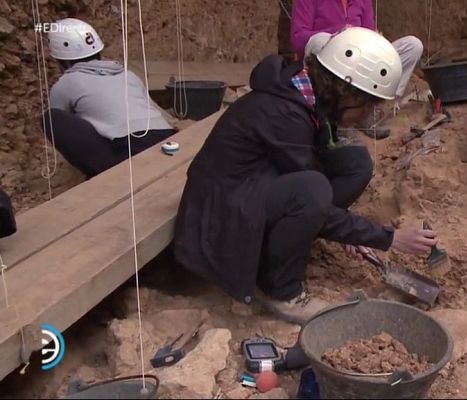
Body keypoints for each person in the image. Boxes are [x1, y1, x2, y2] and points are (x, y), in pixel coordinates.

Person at [173, 27, 438, 325]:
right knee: (313, 191)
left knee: (355, 163)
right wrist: (389, 238)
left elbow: (308, 167)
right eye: (367, 104)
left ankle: (299, 235)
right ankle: (280, 290)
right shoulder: (283, 114)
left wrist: (345, 226)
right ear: (346, 91)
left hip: (251, 186)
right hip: (221, 218)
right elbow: (312, 189)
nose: (365, 115)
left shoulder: (304, 95)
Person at [44, 18, 176, 179]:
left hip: (128, 151)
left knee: (51, 118)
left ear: (61, 60)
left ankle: (102, 176)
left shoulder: (65, 84)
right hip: (167, 142)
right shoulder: (128, 74)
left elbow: (67, 125)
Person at [290, 0, 424, 139]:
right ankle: (335, 116)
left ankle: (369, 108)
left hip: (360, 61)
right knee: (319, 40)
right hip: (328, 64)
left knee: (413, 46)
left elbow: (369, 35)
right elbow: (297, 40)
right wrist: (338, 34)